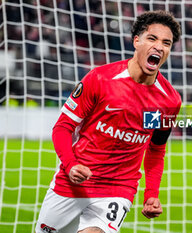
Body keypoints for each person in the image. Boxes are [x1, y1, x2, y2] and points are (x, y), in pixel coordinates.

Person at [35, 10, 182, 233]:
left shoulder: (168, 100)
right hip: (73, 182)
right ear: (136, 41)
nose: (159, 47)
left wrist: (151, 194)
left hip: (118, 188)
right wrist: (71, 163)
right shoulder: (100, 79)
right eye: (152, 38)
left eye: (166, 43)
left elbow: (156, 149)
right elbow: (63, 127)